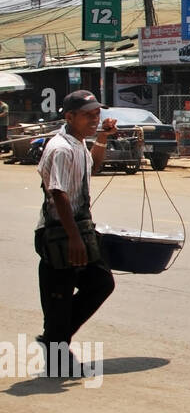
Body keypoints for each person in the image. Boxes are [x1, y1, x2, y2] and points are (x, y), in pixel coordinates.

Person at [33, 90, 117, 377]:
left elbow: (93, 166)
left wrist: (102, 137)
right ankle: (56, 356)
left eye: (97, 114)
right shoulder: (61, 148)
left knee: (100, 283)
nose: (95, 119)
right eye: (88, 115)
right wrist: (73, 238)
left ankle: (55, 339)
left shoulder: (78, 144)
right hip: (58, 233)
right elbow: (59, 193)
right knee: (59, 296)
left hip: (77, 228)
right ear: (69, 117)